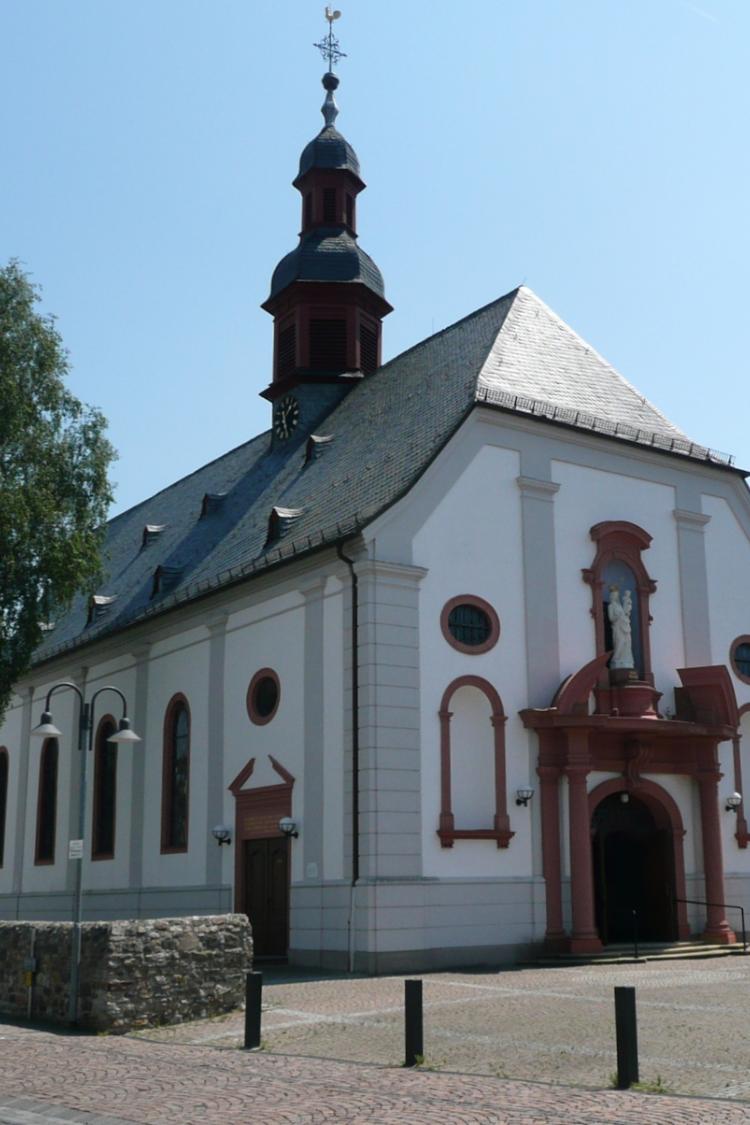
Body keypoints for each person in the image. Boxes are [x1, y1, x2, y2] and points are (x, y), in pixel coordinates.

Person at [608, 586, 634, 669]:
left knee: (627, 642)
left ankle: (627, 660)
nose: (615, 597)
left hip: (625, 627)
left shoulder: (620, 606)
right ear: (611, 596)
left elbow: (625, 614)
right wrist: (618, 617)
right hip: (617, 627)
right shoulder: (611, 606)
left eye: (616, 595)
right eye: (613, 595)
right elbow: (611, 618)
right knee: (620, 641)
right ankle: (615, 659)